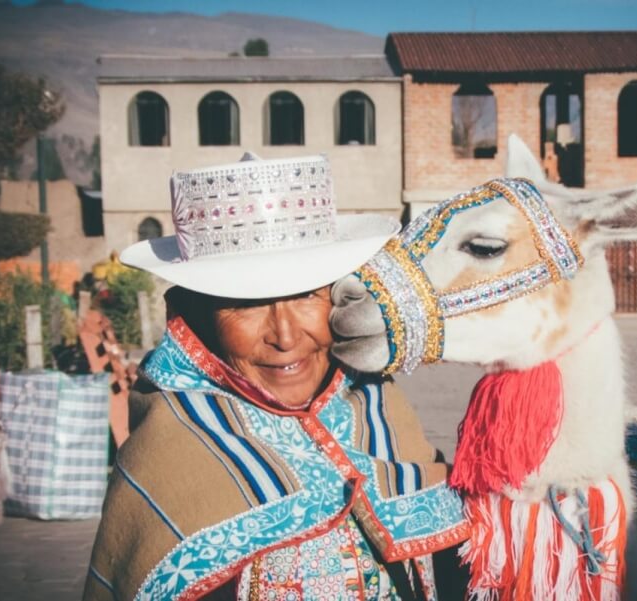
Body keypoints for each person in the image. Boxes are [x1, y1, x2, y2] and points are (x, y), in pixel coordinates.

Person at [83, 154, 468, 600]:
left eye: (306, 295)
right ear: (201, 316)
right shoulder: (168, 453)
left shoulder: (380, 407)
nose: (285, 336)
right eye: (246, 305)